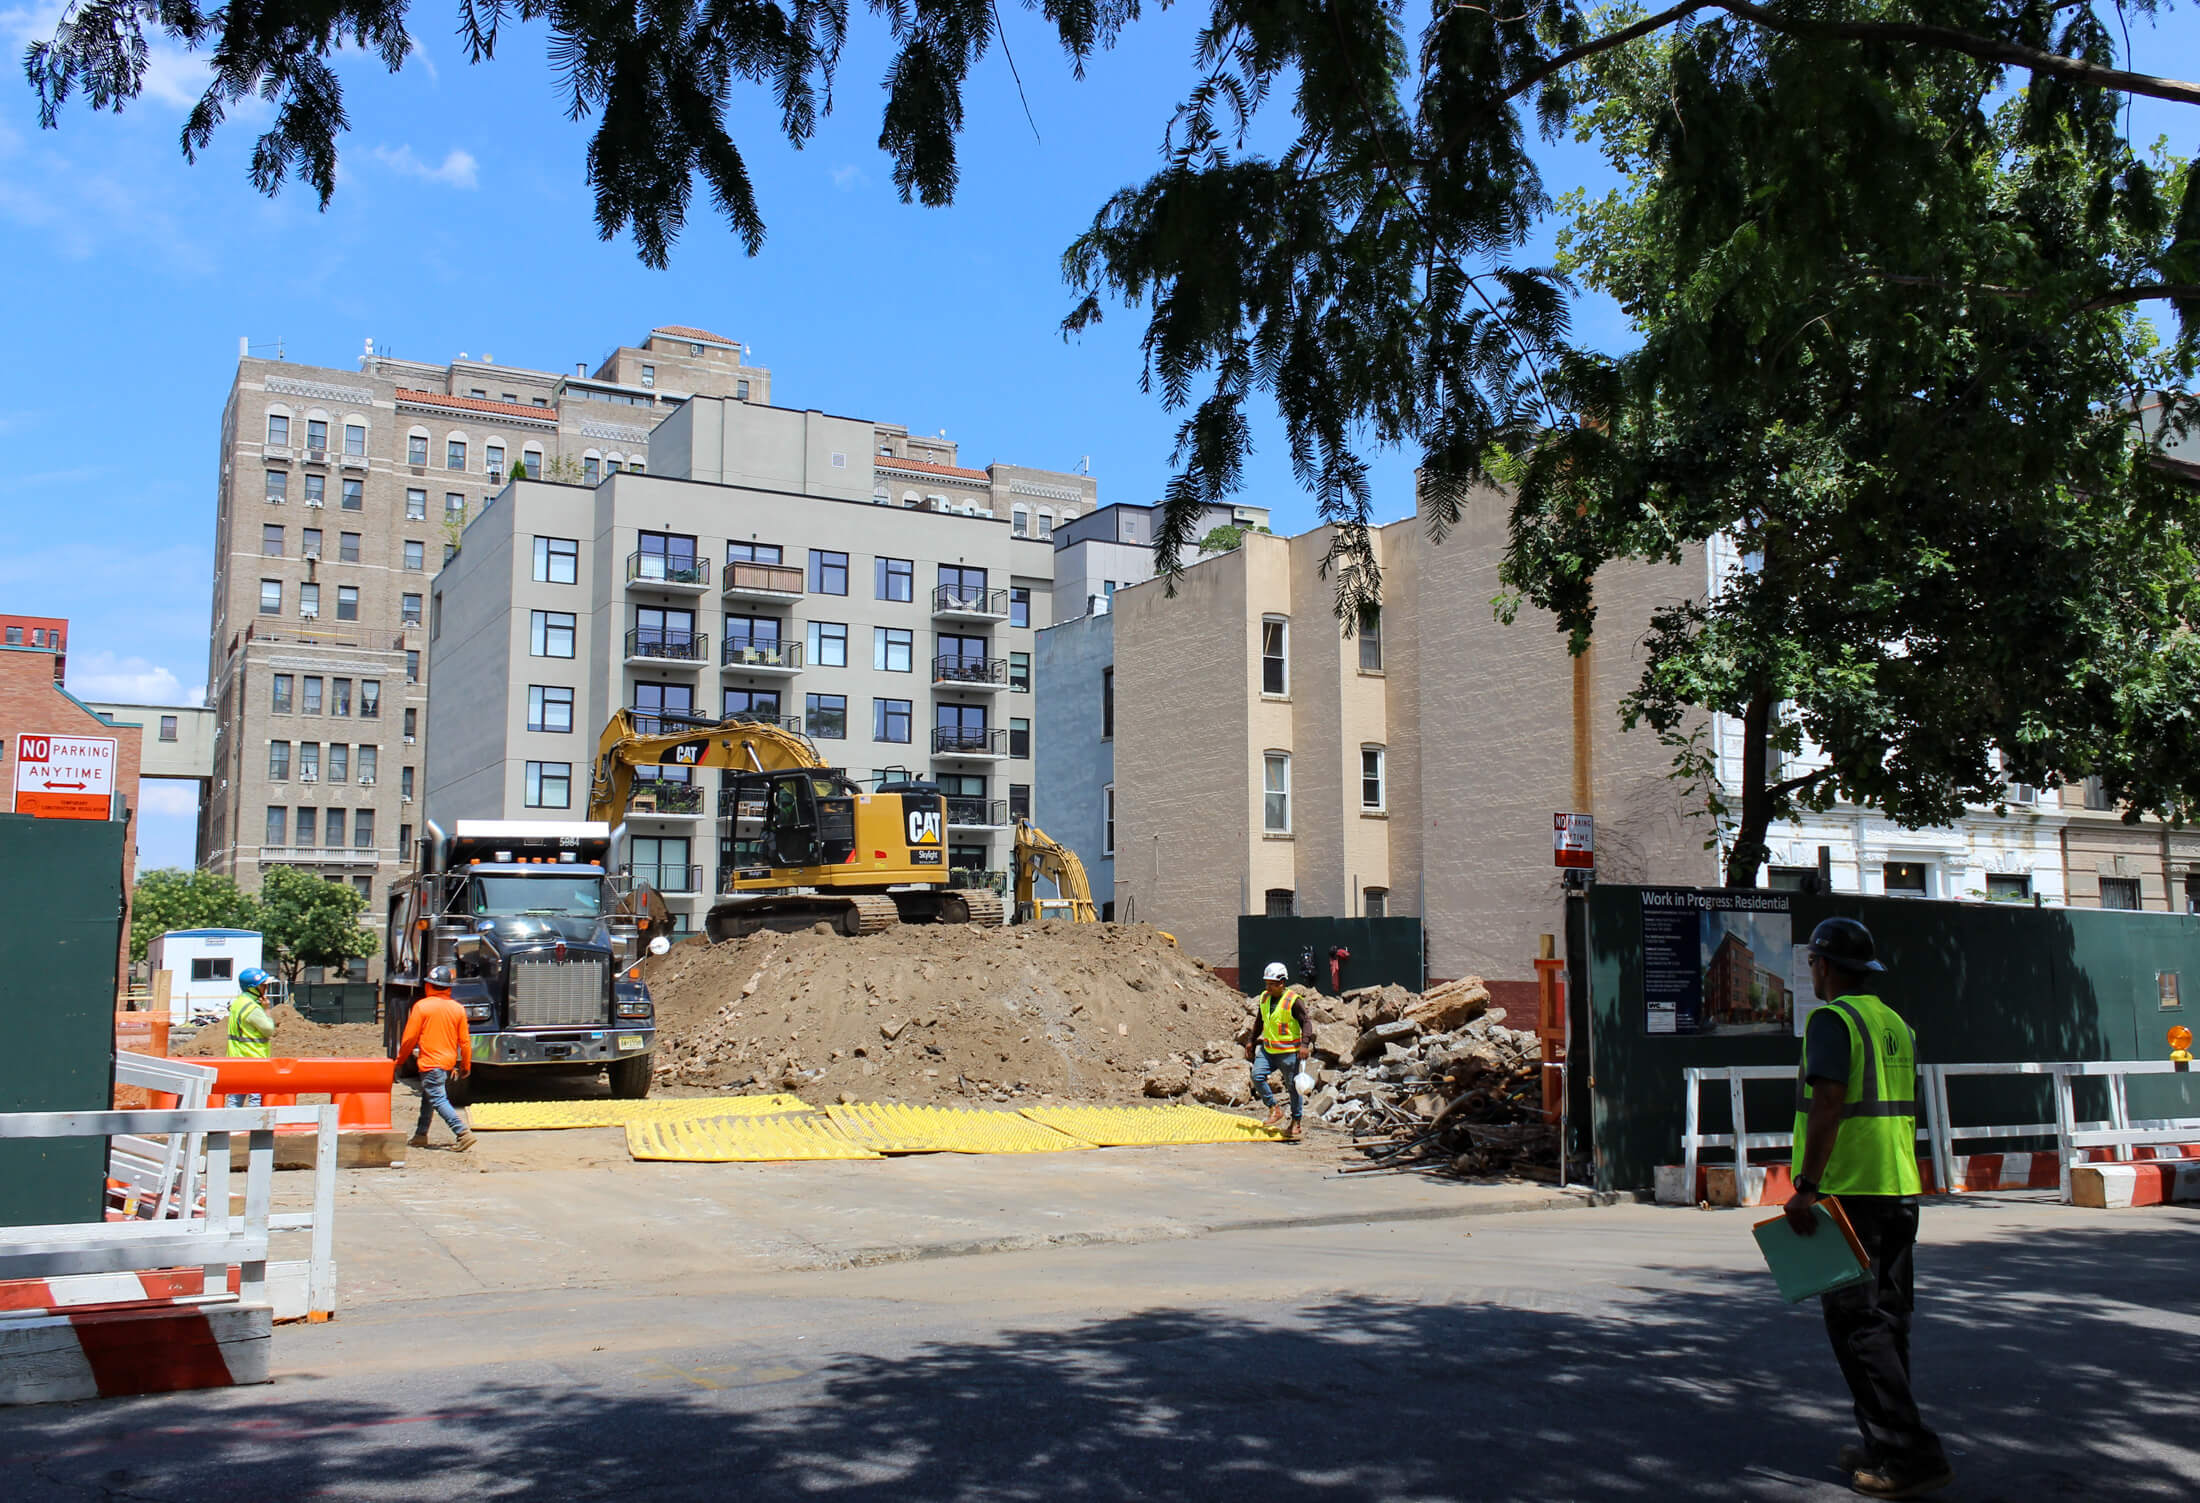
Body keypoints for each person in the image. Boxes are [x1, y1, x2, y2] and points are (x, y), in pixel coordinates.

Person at [1783, 917, 1953, 1500]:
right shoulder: (1894, 1024)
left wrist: (1806, 1185)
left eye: (1812, 964)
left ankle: (1908, 1453)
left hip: (1850, 1192)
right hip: (1898, 1187)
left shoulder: (1832, 1021)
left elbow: (1829, 1103)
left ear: (1823, 966)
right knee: (1888, 1322)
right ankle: (1885, 1443)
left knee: (1857, 1326)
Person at [400, 966, 476, 1152]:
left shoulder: (422, 1007)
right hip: (447, 1063)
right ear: (448, 988)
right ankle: (420, 1134)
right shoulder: (457, 1009)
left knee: (437, 1098)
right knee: (429, 1097)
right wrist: (465, 1065)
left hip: (430, 1062)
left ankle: (462, 1132)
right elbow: (465, 1042)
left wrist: (400, 1060)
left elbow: (409, 1038)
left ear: (429, 986)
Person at [1243, 961, 1314, 1139]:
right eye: (1267, 983)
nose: (1268, 987)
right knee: (1257, 1075)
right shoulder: (1264, 998)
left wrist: (1304, 1045)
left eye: (1272, 984)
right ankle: (1274, 1108)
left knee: (1293, 1088)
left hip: (1289, 1053)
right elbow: (1259, 1021)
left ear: (1282, 983)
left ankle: (1296, 1122)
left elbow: (1306, 1022)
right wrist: (1251, 1040)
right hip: (1268, 1051)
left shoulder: (1293, 1001)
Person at [225, 967, 276, 1106]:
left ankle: (230, 1126)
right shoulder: (252, 1008)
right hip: (253, 1058)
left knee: (235, 1098)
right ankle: (253, 1127)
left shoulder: (239, 1002)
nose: (265, 988)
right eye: (263, 985)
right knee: (255, 1099)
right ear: (252, 988)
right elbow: (268, 1030)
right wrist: (267, 1010)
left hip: (236, 1057)